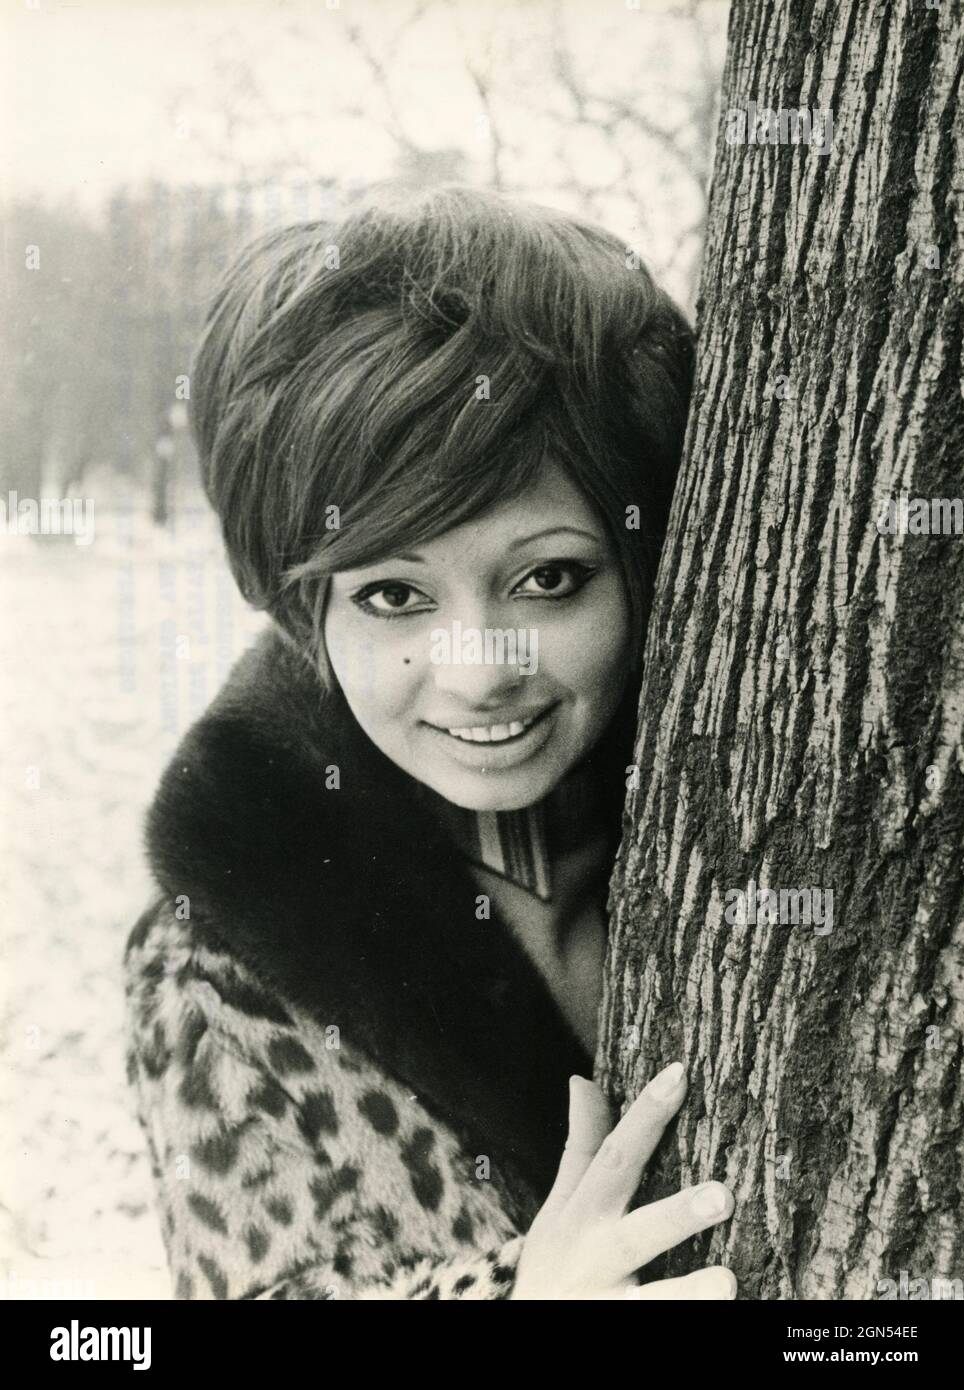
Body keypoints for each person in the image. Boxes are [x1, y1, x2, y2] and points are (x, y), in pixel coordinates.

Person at [123, 185, 737, 1300]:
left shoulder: (732, 784)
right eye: (395, 597)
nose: (476, 668)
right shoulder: (220, 962)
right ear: (302, 611)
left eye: (547, 578)